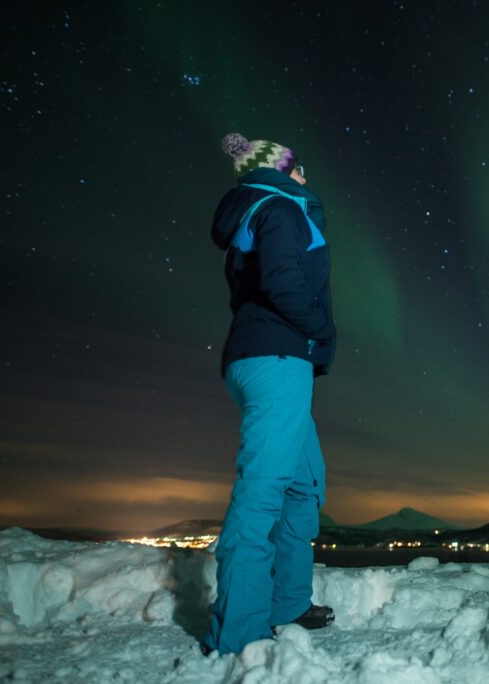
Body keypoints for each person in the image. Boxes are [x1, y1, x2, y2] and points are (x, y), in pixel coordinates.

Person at [203, 132, 336, 656]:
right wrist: (320, 329)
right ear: (284, 171)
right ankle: (238, 635)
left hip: (265, 358)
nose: (306, 175)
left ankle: (288, 604)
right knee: (262, 493)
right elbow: (283, 282)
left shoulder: (257, 212)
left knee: (303, 484)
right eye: (299, 168)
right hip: (278, 360)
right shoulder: (280, 208)